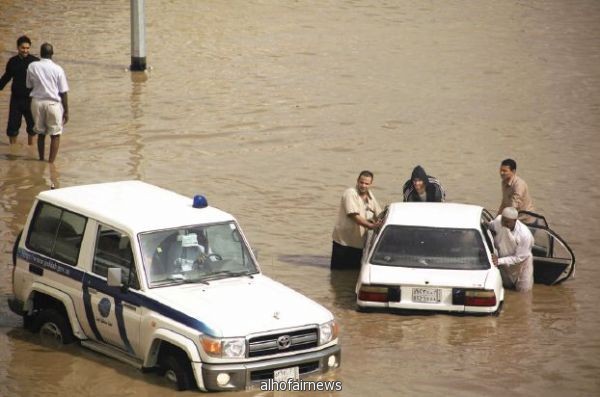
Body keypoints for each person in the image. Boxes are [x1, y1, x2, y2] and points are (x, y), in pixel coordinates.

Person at [26, 42, 69, 163]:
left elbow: (29, 86)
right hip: (53, 104)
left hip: (37, 103)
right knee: (55, 135)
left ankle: (41, 159)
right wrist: (66, 111)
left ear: (40, 53)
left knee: (40, 133)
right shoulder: (58, 69)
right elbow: (63, 92)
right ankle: (51, 163)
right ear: (52, 54)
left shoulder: (32, 66)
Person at [331, 170, 382, 269]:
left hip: (358, 244)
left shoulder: (370, 197)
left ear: (371, 184)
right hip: (343, 242)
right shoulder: (350, 193)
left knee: (353, 272)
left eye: (366, 183)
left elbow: (379, 214)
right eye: (361, 182)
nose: (363, 185)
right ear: (357, 181)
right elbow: (353, 215)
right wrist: (371, 225)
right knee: (338, 273)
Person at [0, 35, 39, 145]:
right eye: (23, 48)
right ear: (17, 48)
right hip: (16, 100)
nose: (25, 50)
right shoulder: (12, 62)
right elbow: (6, 77)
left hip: (31, 100)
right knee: (12, 129)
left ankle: (31, 149)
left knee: (32, 128)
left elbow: (42, 81)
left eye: (27, 48)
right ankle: (12, 150)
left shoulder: (35, 62)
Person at [489, 207, 534, 292]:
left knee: (523, 292)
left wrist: (498, 261)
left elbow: (518, 258)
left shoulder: (524, 235)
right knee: (506, 288)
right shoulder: (498, 221)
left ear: (515, 221)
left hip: (522, 263)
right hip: (504, 260)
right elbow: (490, 226)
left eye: (507, 222)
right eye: (503, 220)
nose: (504, 223)